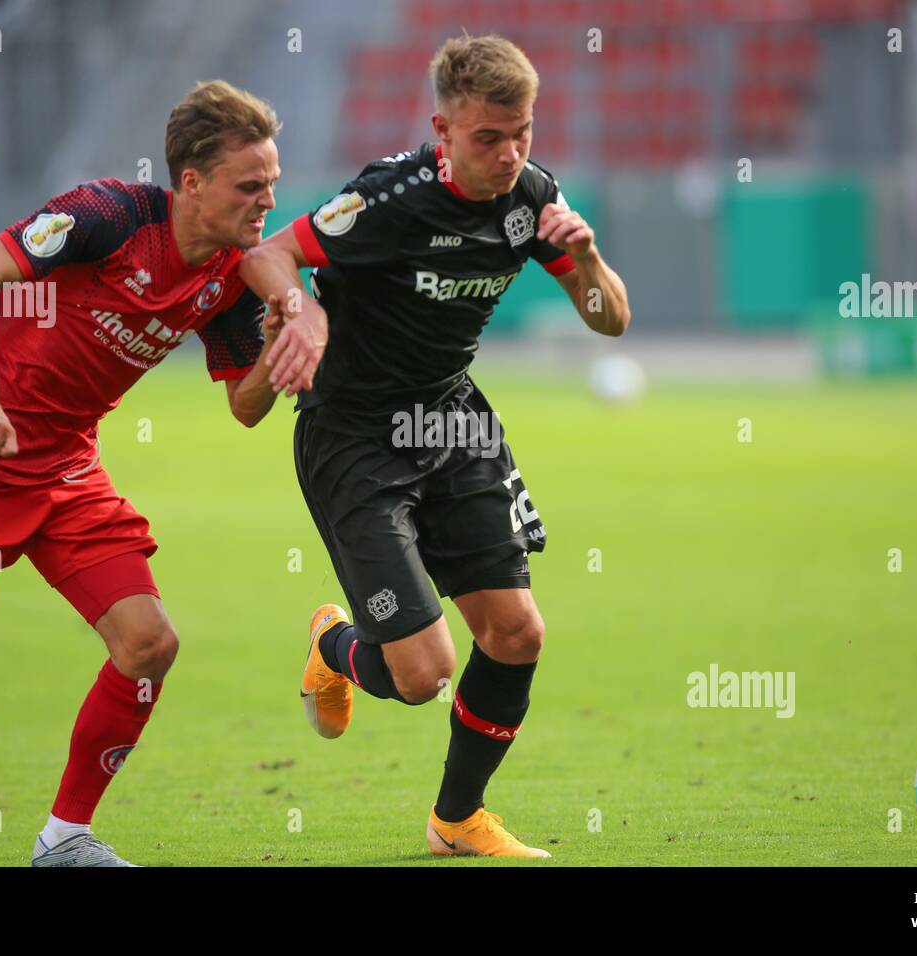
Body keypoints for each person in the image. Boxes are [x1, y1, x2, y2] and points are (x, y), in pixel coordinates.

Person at [0, 80, 316, 867]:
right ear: (190, 183)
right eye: (250, 186)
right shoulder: (109, 216)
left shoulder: (230, 277)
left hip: (68, 462)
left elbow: (243, 410)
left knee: (149, 643)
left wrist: (279, 361)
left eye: (272, 187)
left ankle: (63, 839)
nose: (265, 202)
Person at [241, 34, 630, 857]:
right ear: (443, 131)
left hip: (453, 424)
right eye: (489, 137)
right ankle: (334, 646)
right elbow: (269, 252)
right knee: (421, 676)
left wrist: (589, 259)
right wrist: (302, 309)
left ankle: (456, 819)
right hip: (354, 438)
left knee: (518, 632)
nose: (509, 153)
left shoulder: (532, 199)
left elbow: (611, 320)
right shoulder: (388, 200)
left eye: (522, 133)